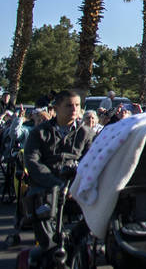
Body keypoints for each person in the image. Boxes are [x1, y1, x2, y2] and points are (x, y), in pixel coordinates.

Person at [24, 90, 92, 249]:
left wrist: (74, 184)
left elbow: (90, 160)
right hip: (47, 185)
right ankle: (52, 249)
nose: (74, 109)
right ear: (56, 108)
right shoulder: (39, 132)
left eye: (77, 105)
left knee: (101, 206)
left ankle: (74, 243)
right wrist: (56, 183)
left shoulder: (87, 133)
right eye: (69, 105)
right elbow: (32, 162)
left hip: (76, 183)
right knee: (40, 206)